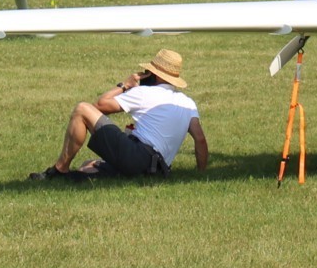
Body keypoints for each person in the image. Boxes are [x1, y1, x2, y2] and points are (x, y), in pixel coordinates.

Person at [30, 49, 208, 182]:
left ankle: (60, 170)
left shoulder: (145, 93)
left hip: (137, 157)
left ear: (154, 75)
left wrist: (125, 85)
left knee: (82, 109)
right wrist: (200, 174)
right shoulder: (187, 102)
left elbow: (99, 106)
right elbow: (200, 140)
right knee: (89, 164)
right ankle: (79, 177)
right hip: (157, 170)